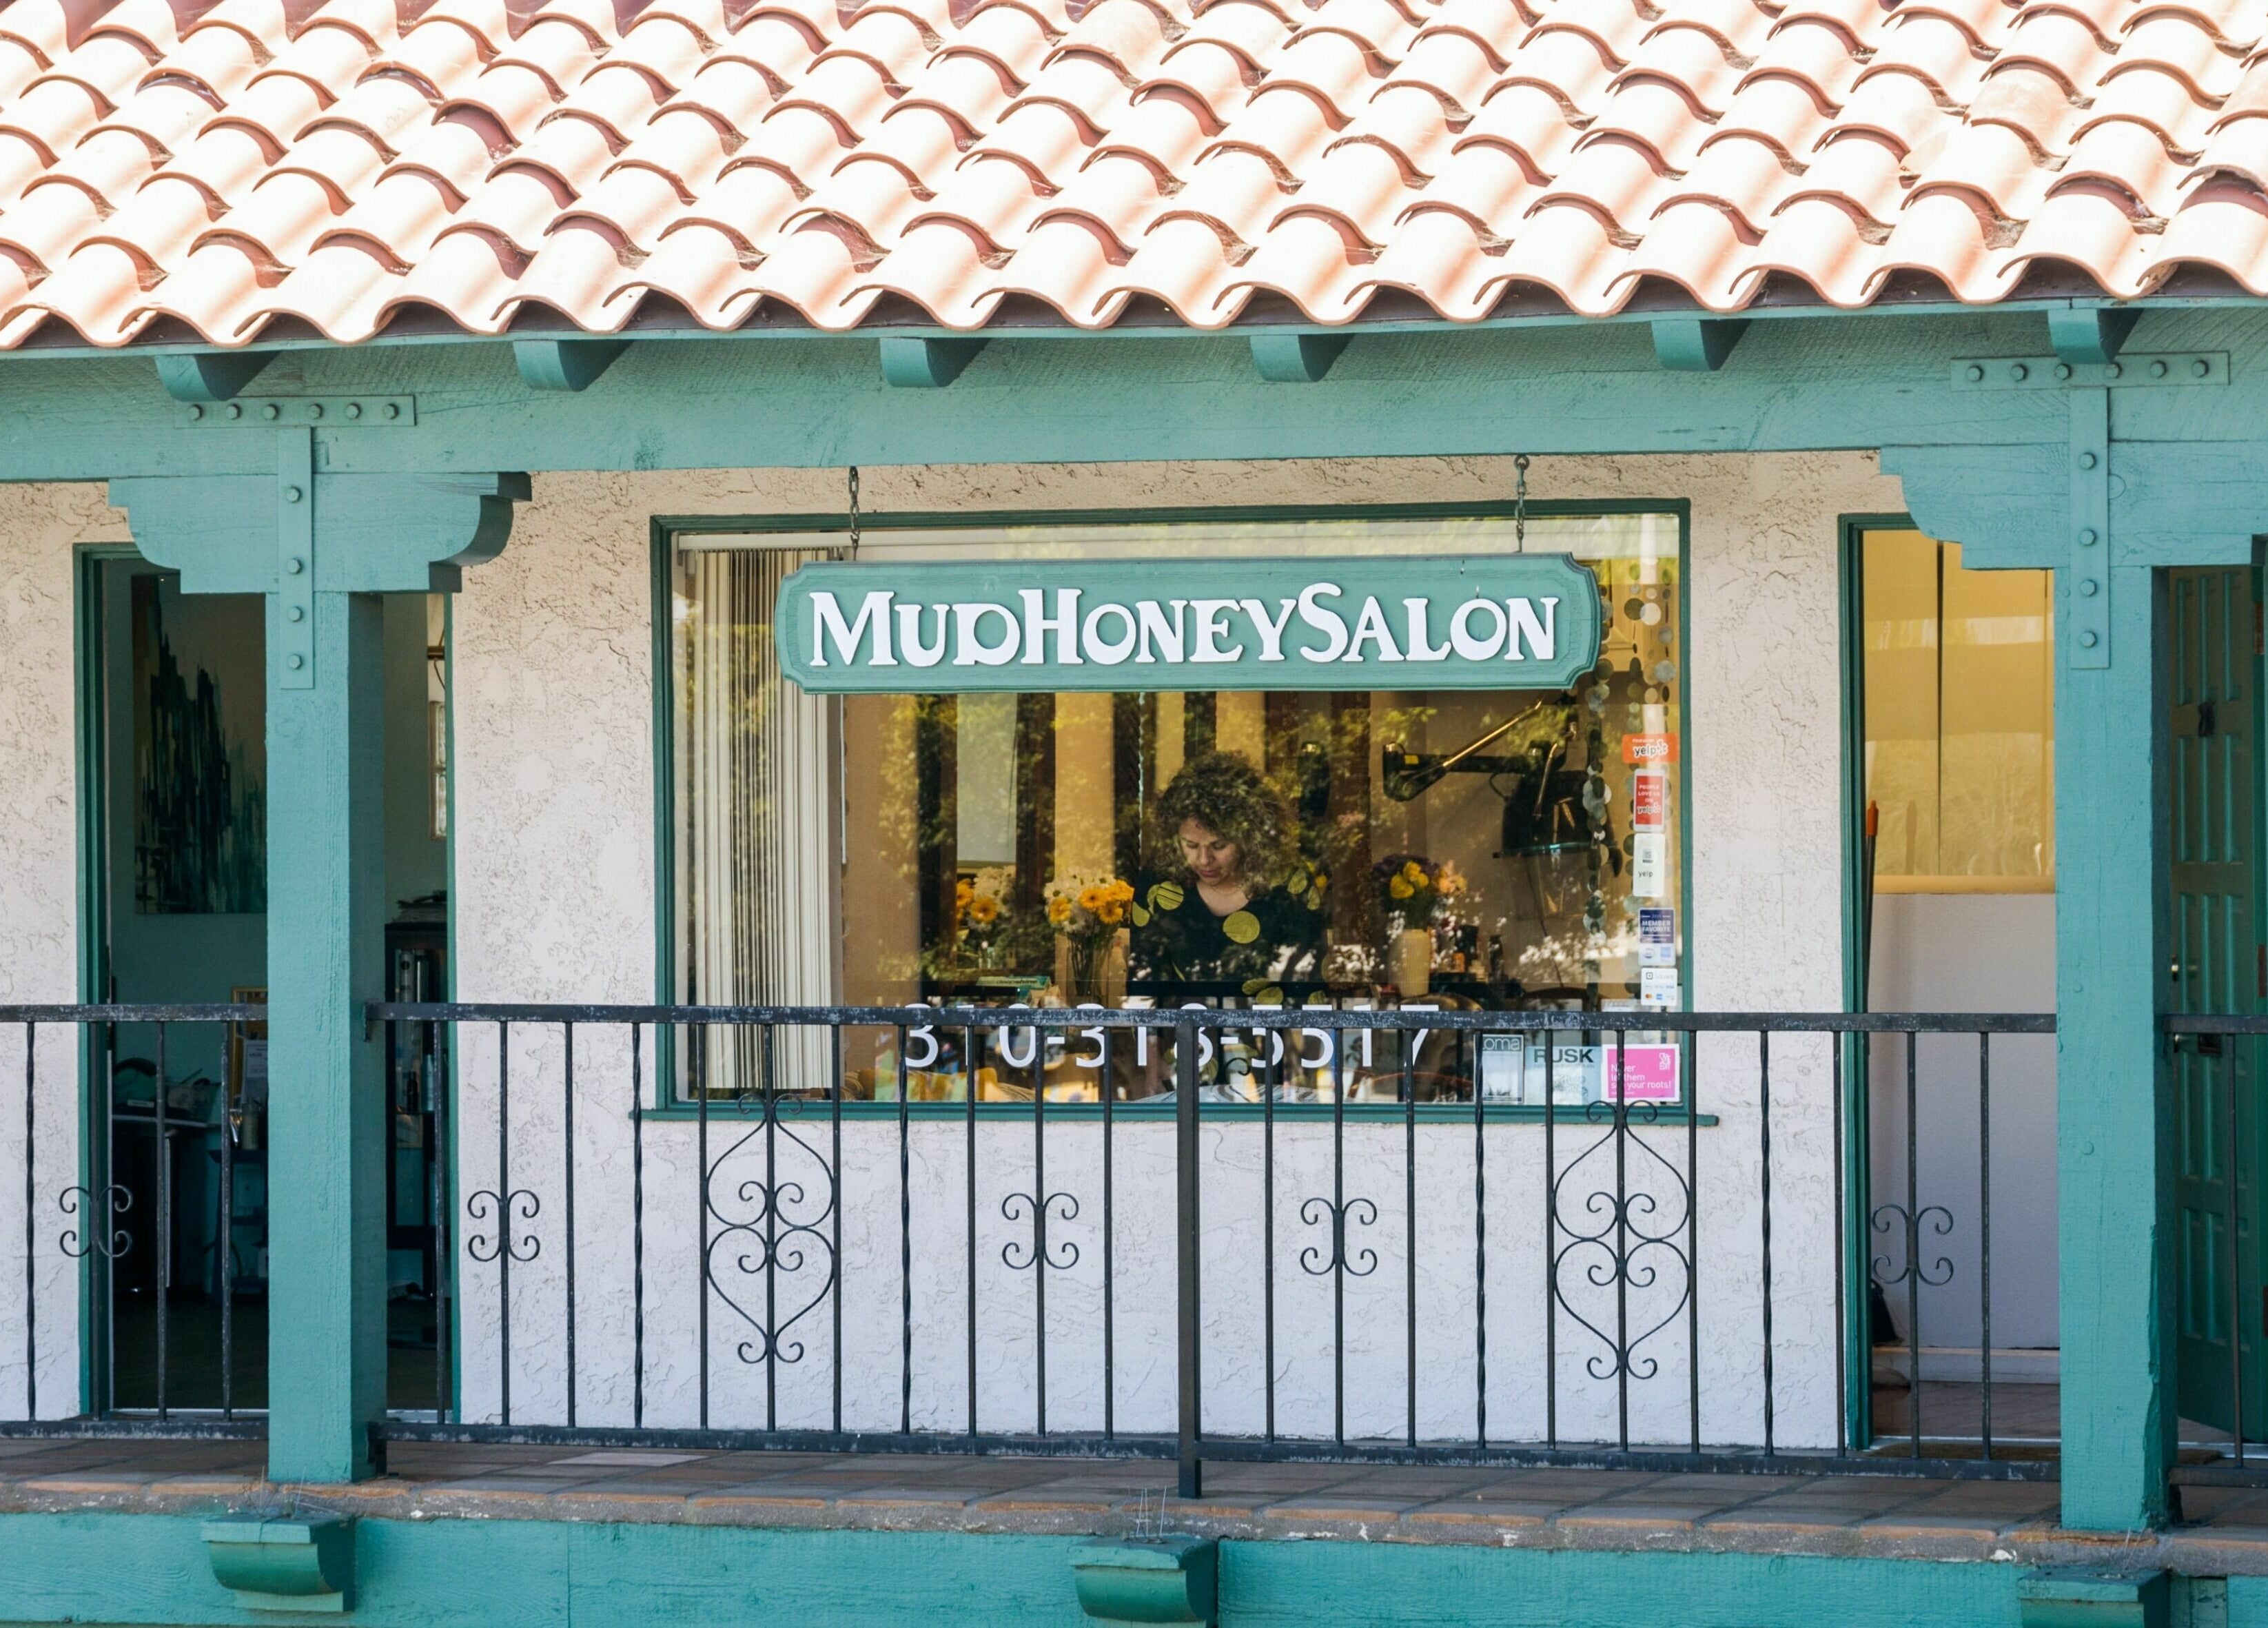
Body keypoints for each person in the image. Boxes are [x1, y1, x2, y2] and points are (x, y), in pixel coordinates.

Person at [1129, 751, 1326, 996]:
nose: (1204, 859)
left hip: (1269, 1022)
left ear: (1251, 838)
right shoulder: (1158, 883)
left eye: (1219, 845)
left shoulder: (1288, 882)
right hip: (1186, 1022)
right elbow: (1144, 985)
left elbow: (1307, 986)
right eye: (1191, 845)